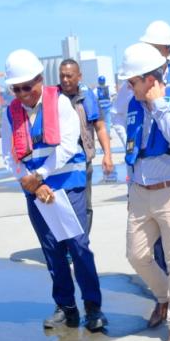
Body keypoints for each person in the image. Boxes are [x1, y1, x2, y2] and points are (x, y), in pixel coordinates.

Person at [0, 49, 106, 333]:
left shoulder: (59, 103)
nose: (23, 94)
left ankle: (93, 307)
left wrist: (40, 176)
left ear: (39, 80)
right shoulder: (9, 113)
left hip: (66, 184)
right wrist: (30, 181)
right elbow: (8, 156)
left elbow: (69, 145)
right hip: (36, 190)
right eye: (16, 88)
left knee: (78, 246)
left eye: (28, 87)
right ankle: (66, 308)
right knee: (52, 250)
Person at [116, 42, 170, 341]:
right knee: (136, 255)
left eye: (133, 82)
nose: (129, 87)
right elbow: (118, 123)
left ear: (150, 80)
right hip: (140, 190)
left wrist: (158, 106)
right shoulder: (130, 100)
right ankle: (166, 296)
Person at [58, 59, 115, 235]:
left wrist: (107, 155)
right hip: (59, 163)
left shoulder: (88, 97)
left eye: (69, 76)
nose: (65, 80)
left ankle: (82, 242)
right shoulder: (52, 99)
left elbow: (100, 126)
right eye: (62, 76)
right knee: (62, 206)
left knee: (85, 205)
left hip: (84, 161)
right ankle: (67, 244)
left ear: (79, 76)